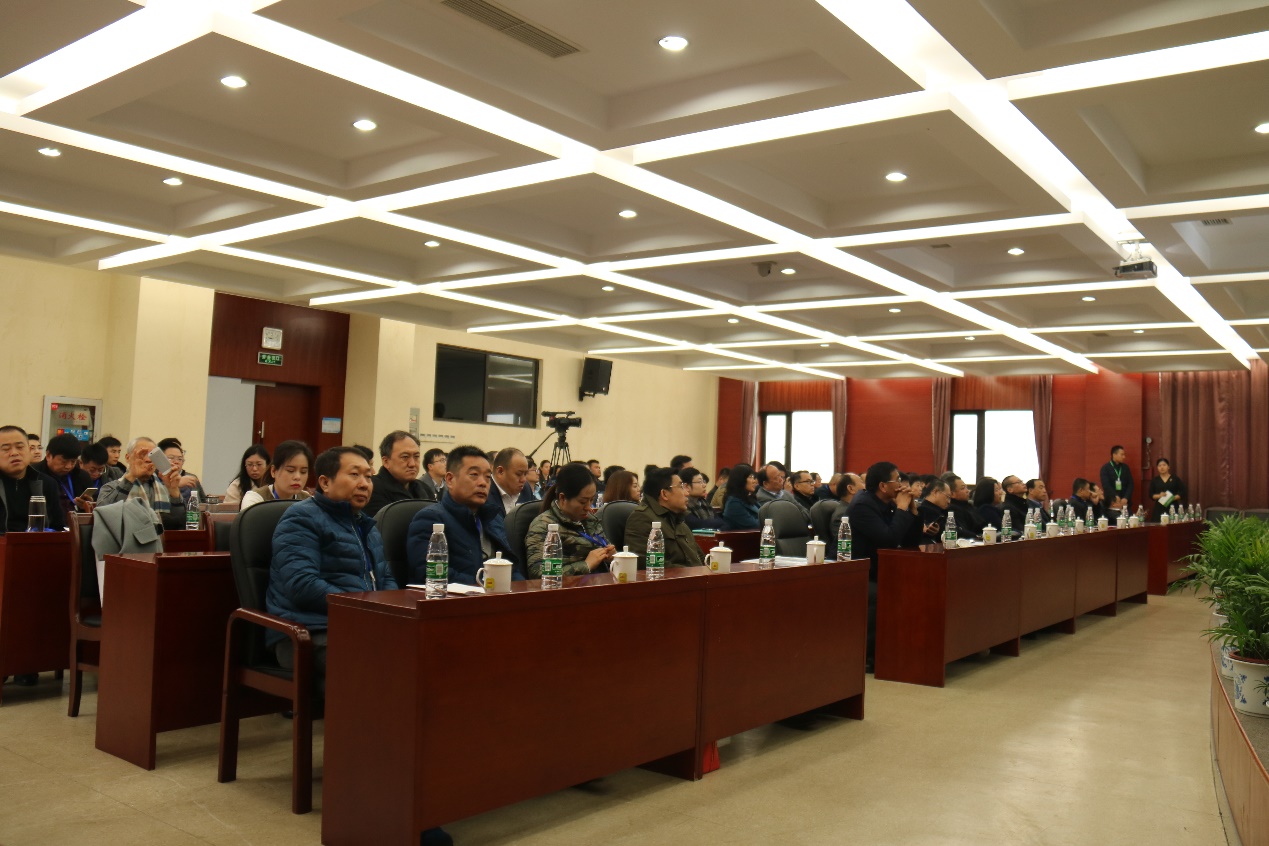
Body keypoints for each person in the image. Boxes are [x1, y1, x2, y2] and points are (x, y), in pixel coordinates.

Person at [408, 445, 522, 586]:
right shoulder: (431, 520)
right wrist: (488, 584)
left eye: (487, 477)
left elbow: (511, 567)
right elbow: (430, 573)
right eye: (474, 475)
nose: (483, 483)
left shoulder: (493, 518)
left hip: (496, 594)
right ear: (450, 479)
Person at [845, 462, 917, 668]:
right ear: (883, 486)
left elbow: (911, 540)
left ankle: (903, 646)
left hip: (880, 568)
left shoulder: (887, 503)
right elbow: (889, 539)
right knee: (880, 594)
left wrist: (911, 510)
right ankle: (869, 657)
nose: (902, 485)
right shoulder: (863, 506)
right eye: (898, 480)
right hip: (855, 570)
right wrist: (901, 508)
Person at [524, 462, 615, 577]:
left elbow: (605, 546)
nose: (588, 507)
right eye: (582, 502)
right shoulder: (544, 525)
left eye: (591, 500)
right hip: (568, 587)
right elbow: (539, 573)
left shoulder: (590, 520)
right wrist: (586, 565)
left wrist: (612, 556)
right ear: (562, 498)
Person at [623, 467, 706, 569]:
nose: (687, 493)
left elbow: (699, 557)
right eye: (681, 487)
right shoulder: (641, 519)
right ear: (664, 494)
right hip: (673, 578)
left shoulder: (677, 519)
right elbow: (646, 563)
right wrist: (690, 572)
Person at [97, 437, 189, 529]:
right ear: (128, 458)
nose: (148, 460)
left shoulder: (165, 488)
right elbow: (104, 518)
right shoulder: (110, 487)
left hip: (159, 537)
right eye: (142, 455)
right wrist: (131, 476)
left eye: (152, 455)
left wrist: (174, 491)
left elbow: (179, 525)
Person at [0, 425, 67, 534]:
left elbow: (58, 526)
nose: (14, 453)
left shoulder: (47, 483)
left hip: (37, 543)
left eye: (20, 447)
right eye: (6, 449)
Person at [364, 431, 425, 518]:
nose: (412, 464)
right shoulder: (373, 489)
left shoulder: (424, 488)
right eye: (405, 457)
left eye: (416, 456)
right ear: (386, 461)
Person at [240, 441, 314, 511]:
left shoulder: (308, 500)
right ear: (273, 471)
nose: (297, 477)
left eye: (303, 472)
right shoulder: (255, 499)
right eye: (290, 470)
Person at [32, 434, 95, 515]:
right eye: (64, 461)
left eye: (73, 461)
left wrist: (87, 506)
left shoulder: (82, 476)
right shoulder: (34, 474)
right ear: (48, 456)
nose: (68, 466)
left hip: (76, 521)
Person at [158, 438, 207, 504]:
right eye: (171, 458)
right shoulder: (154, 478)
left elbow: (203, 502)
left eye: (180, 459)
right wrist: (176, 485)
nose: (176, 462)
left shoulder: (191, 478)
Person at [490, 447, 531, 517]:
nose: (523, 480)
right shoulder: (484, 493)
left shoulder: (526, 489)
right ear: (500, 471)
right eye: (519, 474)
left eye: (525, 474)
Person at [941, 472, 983, 538]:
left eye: (966, 487)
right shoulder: (953, 510)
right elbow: (962, 532)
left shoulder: (969, 506)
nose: (967, 491)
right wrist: (978, 537)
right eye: (963, 488)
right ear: (952, 494)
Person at [721, 464, 761, 529]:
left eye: (753, 477)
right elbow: (754, 525)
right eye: (750, 477)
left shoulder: (749, 498)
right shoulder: (734, 503)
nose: (754, 481)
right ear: (740, 480)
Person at [1148, 458, 1188, 522]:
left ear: (1168, 467)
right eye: (1159, 466)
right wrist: (1159, 496)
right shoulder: (1155, 480)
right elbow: (1151, 494)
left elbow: (1183, 492)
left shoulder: (1175, 479)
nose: (1162, 467)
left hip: (1173, 507)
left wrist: (1172, 498)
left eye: (1164, 465)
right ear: (1157, 468)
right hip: (1159, 508)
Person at [1100, 445, 1134, 514]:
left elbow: (1131, 484)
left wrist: (1126, 497)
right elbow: (1106, 485)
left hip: (1125, 503)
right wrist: (1115, 496)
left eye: (1124, 455)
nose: (1124, 457)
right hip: (1112, 503)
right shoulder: (1105, 468)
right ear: (1114, 455)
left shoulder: (1125, 468)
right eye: (1122, 454)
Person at [829, 472, 864, 539]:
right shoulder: (842, 515)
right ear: (851, 489)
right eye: (862, 482)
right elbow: (845, 543)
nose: (866, 487)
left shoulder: (855, 510)